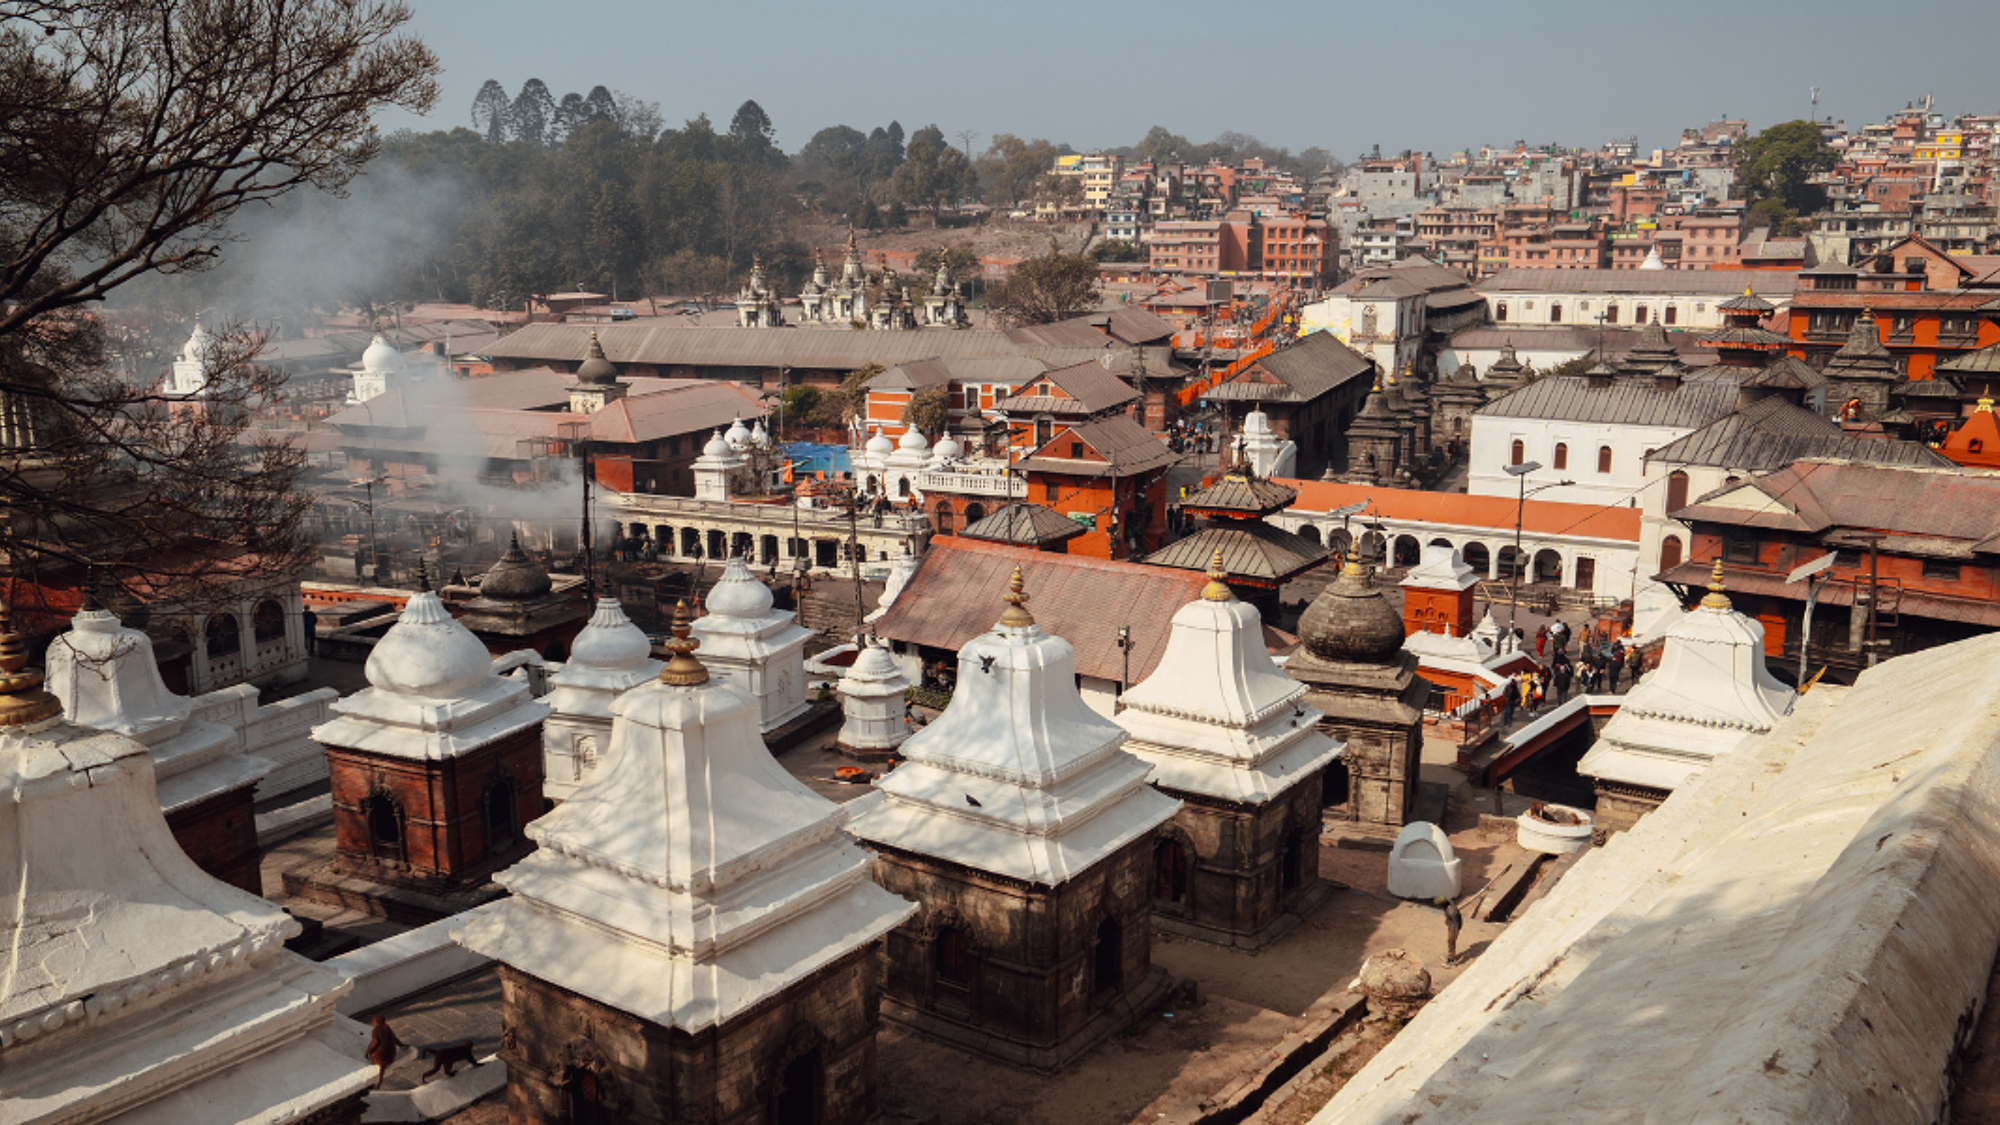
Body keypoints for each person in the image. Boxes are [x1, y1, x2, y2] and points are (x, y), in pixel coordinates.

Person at [367, 1015, 405, 1090]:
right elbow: (394, 1039)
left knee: (375, 1054)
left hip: (379, 1059)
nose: (372, 1024)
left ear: (376, 1022)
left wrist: (367, 1052)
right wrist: (401, 1045)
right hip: (390, 1057)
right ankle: (378, 1083)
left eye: (373, 1022)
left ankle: (378, 1082)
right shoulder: (387, 1028)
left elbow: (375, 1043)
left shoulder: (375, 1030)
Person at [1440, 896, 1464, 965]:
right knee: (1449, 941)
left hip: (1454, 927)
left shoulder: (1452, 912)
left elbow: (1456, 925)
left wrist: (1455, 936)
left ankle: (1451, 960)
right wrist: (1447, 919)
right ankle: (1450, 956)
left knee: (1451, 941)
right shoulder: (1448, 903)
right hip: (1451, 924)